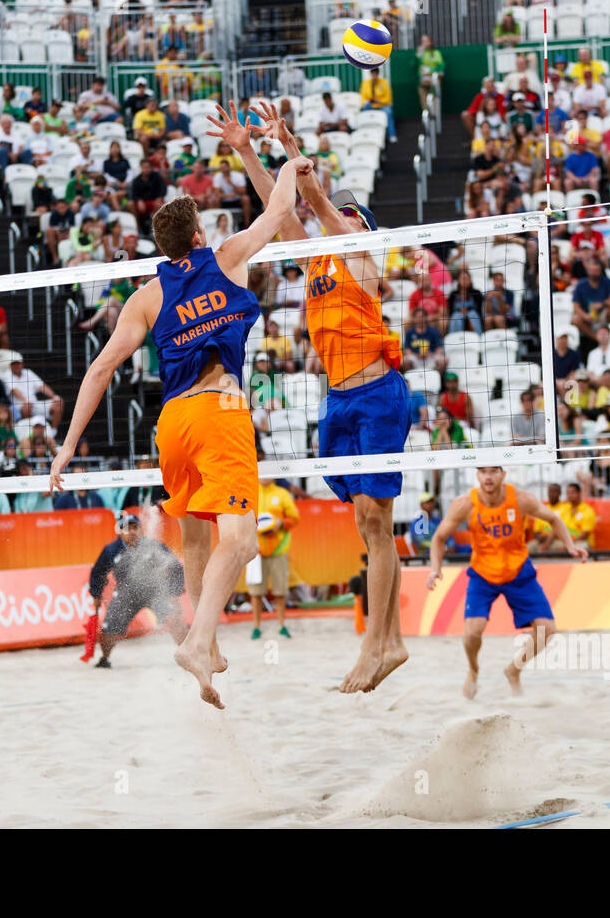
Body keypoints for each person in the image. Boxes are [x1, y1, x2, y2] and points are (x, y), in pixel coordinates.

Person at [50, 153, 313, 710]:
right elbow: (282, 208)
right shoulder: (225, 256)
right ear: (197, 234)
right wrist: (291, 162)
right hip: (219, 412)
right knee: (240, 541)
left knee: (195, 536)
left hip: (171, 425)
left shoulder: (147, 296)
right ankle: (197, 643)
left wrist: (67, 446)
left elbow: (100, 370)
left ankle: (206, 643)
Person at [253, 101, 411, 695]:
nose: (337, 215)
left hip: (376, 395)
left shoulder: (364, 256)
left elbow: (317, 205)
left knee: (376, 519)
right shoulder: (317, 258)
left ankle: (376, 644)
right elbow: (283, 209)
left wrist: (296, 154)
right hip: (336, 403)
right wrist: (251, 149)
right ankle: (390, 640)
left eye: (349, 214)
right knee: (368, 523)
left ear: (362, 225)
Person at [425, 465, 587, 700]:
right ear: (477, 475)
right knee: (472, 633)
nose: (488, 476)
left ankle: (513, 670)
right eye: (483, 471)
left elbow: (553, 518)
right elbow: (438, 538)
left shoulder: (521, 499)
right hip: (483, 573)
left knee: (547, 631)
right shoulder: (465, 504)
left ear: (504, 474)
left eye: (494, 471)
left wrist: (571, 547)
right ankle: (473, 670)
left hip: (518, 571)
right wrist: (435, 570)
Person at [87, 513, 188, 668]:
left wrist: (174, 593)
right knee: (108, 631)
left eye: (135, 527)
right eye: (128, 528)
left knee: (175, 620)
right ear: (120, 532)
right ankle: (105, 658)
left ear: (141, 530)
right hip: (125, 594)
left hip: (154, 591)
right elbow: (98, 572)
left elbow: (175, 567)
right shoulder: (111, 550)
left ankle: (188, 653)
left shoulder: (153, 546)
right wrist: (96, 594)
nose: (132, 532)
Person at [250, 457, 301, 640]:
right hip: (254, 550)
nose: (265, 476)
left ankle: (282, 625)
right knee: (256, 591)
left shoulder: (282, 494)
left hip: (278, 548)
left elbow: (295, 519)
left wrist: (280, 523)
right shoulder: (250, 492)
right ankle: (256, 627)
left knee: (280, 590)